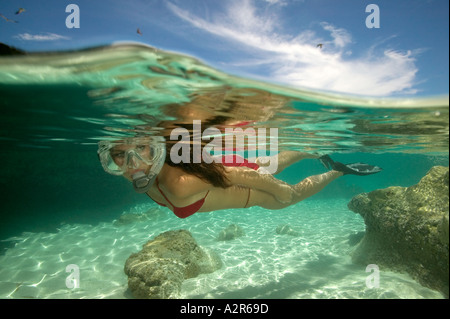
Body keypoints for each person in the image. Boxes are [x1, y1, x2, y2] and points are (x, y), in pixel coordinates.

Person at [98, 135, 382, 219]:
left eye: (141, 150)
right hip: (228, 171)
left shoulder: (177, 184)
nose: (133, 164)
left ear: (155, 148)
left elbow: (239, 174)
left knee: (285, 197)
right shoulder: (154, 173)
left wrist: (282, 192)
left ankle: (337, 170)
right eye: (121, 155)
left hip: (245, 184)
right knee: (265, 165)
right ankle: (310, 150)